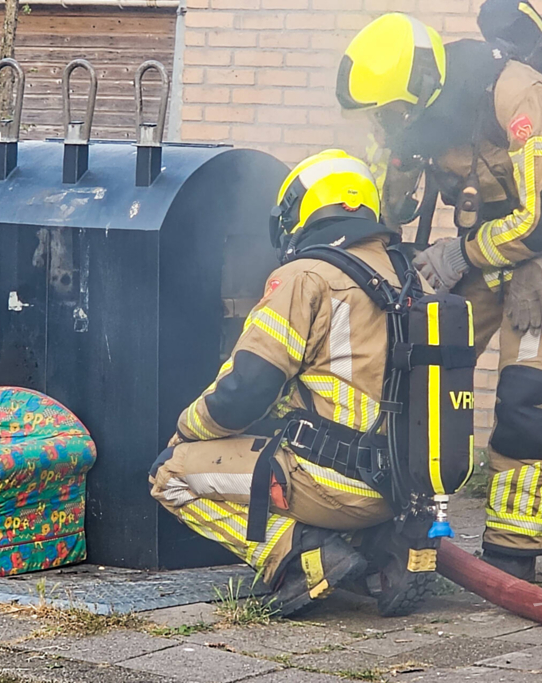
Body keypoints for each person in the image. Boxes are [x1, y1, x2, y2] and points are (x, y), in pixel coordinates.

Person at [336, 13, 542, 581]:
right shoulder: (410, 115)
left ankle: (512, 556)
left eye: (392, 115)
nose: (387, 123)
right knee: (406, 368)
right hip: (486, 249)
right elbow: (387, 204)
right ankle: (389, 517)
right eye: (381, 116)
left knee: (526, 397)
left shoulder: (520, 94)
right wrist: (395, 169)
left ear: (424, 89)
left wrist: (462, 257)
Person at [149, 150, 435, 617]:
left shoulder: (305, 276)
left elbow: (247, 388)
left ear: (302, 212)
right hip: (406, 484)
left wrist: (188, 428)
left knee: (169, 474)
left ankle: (302, 559)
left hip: (337, 483)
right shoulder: (408, 276)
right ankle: (383, 546)